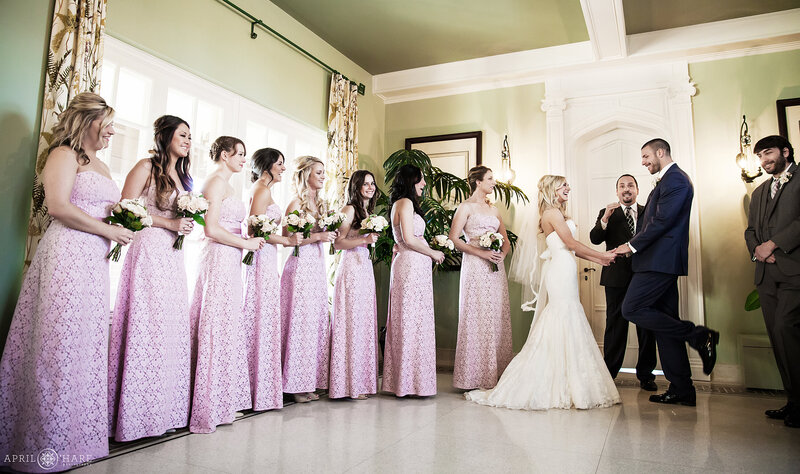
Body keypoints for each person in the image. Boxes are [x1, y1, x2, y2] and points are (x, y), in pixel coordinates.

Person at [0, 92, 134, 472]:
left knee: (85, 344)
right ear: (87, 122)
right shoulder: (63, 154)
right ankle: (41, 445)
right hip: (65, 256)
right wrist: (107, 230)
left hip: (94, 263)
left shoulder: (103, 167)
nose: (111, 130)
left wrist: (125, 227)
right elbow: (58, 207)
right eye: (106, 123)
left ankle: (77, 441)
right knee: (56, 344)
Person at [465, 175, 620, 410]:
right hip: (559, 269)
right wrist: (602, 256)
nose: (569, 187)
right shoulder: (551, 214)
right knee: (562, 314)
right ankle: (554, 379)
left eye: (568, 183)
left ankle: (568, 378)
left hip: (565, 266)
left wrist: (601, 260)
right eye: (563, 184)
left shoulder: (559, 214)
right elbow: (570, 243)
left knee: (568, 314)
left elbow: (573, 249)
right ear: (551, 189)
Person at [108, 115, 195, 441]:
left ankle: (162, 413)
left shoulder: (182, 175)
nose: (188, 140)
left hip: (173, 257)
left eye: (190, 136)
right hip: (147, 252)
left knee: (168, 331)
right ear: (166, 135)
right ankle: (133, 417)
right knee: (147, 327)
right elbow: (125, 209)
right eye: (183, 134)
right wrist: (169, 224)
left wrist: (185, 222)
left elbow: (178, 215)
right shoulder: (146, 166)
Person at [615, 138, 719, 406]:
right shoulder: (668, 180)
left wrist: (630, 245)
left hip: (658, 263)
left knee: (631, 309)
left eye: (646, 156)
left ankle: (699, 335)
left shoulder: (676, 180)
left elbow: (661, 222)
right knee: (664, 324)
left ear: (661, 152)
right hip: (656, 262)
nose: (643, 161)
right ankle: (682, 388)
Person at [189, 136, 264, 433]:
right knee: (215, 324)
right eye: (240, 154)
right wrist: (244, 242)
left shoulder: (229, 184)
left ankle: (222, 399)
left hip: (230, 258)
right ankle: (207, 404)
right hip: (219, 256)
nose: (245, 159)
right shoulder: (216, 182)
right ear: (224, 155)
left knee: (226, 325)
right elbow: (210, 228)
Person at [744, 135, 800, 428]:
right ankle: (793, 402)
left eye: (769, 153)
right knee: (778, 339)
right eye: (760, 156)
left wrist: (774, 244)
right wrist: (758, 250)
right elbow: (750, 230)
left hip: (795, 273)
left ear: (785, 152)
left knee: (787, 329)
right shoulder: (760, 191)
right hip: (766, 276)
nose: (764, 160)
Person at [242, 147, 301, 411]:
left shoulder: (265, 190)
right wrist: (287, 240)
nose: (283, 168)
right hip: (260, 257)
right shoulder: (261, 190)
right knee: (258, 317)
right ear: (266, 165)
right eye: (279, 163)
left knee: (265, 318)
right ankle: (254, 388)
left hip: (268, 257)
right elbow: (256, 230)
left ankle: (263, 387)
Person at [589, 174, 657, 391]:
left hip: (644, 277)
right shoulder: (607, 213)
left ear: (637, 189)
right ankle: (610, 373)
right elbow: (595, 239)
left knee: (646, 326)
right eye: (622, 186)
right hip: (616, 278)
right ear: (617, 191)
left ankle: (646, 375)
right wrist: (605, 219)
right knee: (615, 325)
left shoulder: (649, 211)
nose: (626, 189)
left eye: (630, 185)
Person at [382, 164, 445, 397]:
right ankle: (409, 384)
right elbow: (408, 238)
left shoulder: (401, 204)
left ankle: (408, 382)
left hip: (411, 265)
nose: (424, 184)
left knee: (410, 320)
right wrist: (434, 253)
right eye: (420, 180)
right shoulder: (405, 203)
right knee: (411, 321)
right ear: (411, 180)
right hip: (411, 265)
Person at [449, 166, 513, 390]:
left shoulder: (493, 210)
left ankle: (497, 374)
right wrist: (481, 253)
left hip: (495, 269)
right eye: (490, 178)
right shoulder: (465, 207)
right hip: (475, 267)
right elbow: (454, 238)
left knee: (496, 316)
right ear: (478, 182)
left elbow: (505, 241)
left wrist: (500, 256)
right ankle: (473, 377)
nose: (494, 182)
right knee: (476, 316)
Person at [280, 156, 337, 403]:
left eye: (324, 173)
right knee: (300, 323)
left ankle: (309, 380)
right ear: (306, 175)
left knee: (314, 322)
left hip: (316, 266)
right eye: (318, 173)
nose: (323, 177)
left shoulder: (322, 204)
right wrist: (317, 237)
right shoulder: (296, 203)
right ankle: (293, 385)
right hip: (300, 265)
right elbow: (287, 237)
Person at [329, 170, 380, 399]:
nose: (370, 187)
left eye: (372, 183)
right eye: (366, 183)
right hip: (350, 268)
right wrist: (365, 239)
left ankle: (361, 382)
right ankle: (347, 384)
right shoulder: (349, 209)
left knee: (363, 323)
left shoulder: (368, 211)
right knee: (352, 323)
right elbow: (337, 243)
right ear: (357, 186)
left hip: (364, 267)